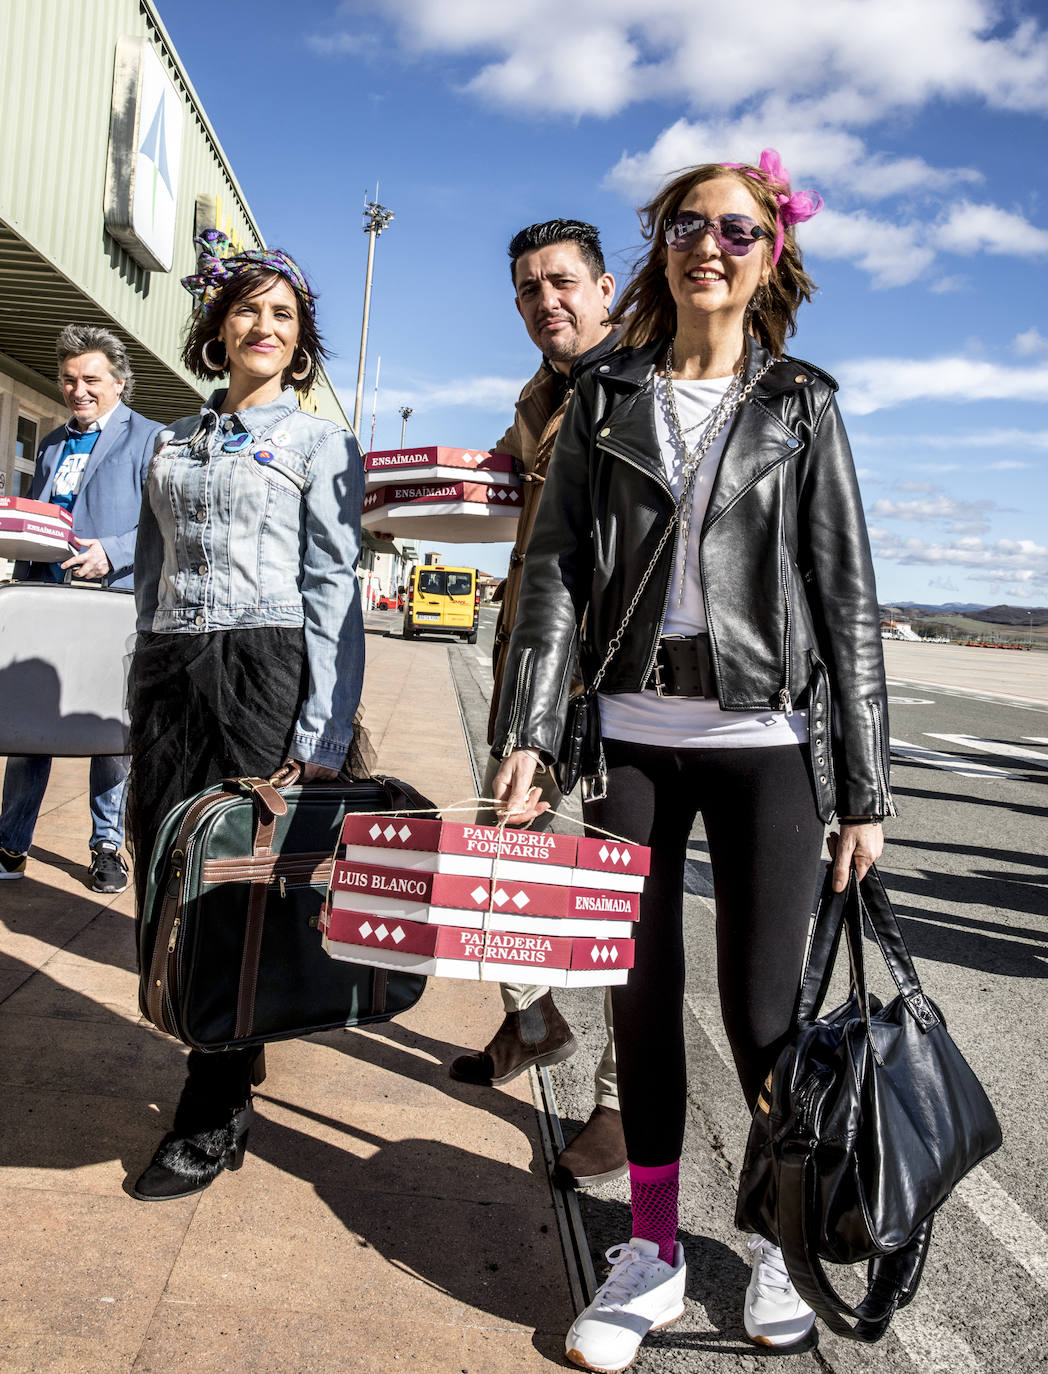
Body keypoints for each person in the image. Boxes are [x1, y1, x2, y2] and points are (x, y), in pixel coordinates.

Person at [491, 150, 894, 1370]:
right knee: (641, 997)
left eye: (733, 226)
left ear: (773, 252)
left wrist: (863, 790)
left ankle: (774, 1244)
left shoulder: (803, 402)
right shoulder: (604, 396)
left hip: (768, 743)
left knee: (768, 1015)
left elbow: (845, 598)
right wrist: (525, 727)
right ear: (658, 247)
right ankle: (652, 1249)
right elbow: (554, 571)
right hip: (630, 739)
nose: (704, 244)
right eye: (681, 224)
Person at [127, 231, 367, 1201]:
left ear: (300, 339)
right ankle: (229, 1047)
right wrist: (137, 682)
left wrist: (323, 734)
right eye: (248, 309)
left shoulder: (317, 440)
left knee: (238, 880)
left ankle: (213, 1105)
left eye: (284, 313)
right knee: (164, 870)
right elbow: (151, 572)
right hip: (170, 673)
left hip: (266, 669)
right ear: (217, 328)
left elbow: (334, 592)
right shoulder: (170, 438)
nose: (264, 325)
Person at [447, 220, 627, 1188]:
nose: (543, 300)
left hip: (616, 686)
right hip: (531, 674)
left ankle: (620, 1102)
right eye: (526, 289)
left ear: (605, 287)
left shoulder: (639, 384)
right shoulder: (539, 398)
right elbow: (495, 489)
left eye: (561, 281)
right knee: (498, 863)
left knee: (624, 902)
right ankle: (532, 1018)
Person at [0, 325, 162, 894]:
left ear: (119, 382)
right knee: (26, 729)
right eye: (69, 380)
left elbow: (167, 523)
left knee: (107, 730)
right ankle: (11, 842)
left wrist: (113, 552)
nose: (78, 390)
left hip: (110, 602)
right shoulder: (47, 442)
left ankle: (106, 847)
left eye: (91, 379)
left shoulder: (152, 440)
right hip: (44, 600)